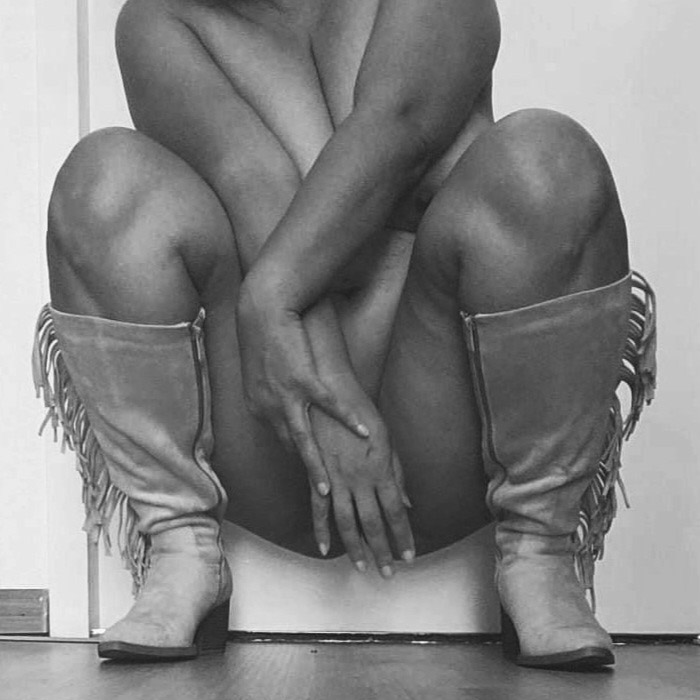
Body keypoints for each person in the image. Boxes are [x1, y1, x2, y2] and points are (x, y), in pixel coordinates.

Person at [32, 0, 656, 670]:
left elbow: (396, 130)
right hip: (265, 434)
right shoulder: (160, 22)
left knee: (549, 158)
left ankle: (539, 552)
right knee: (101, 179)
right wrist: (322, 390)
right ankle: (181, 548)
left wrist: (273, 300)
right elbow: (249, 177)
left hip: (445, 439)